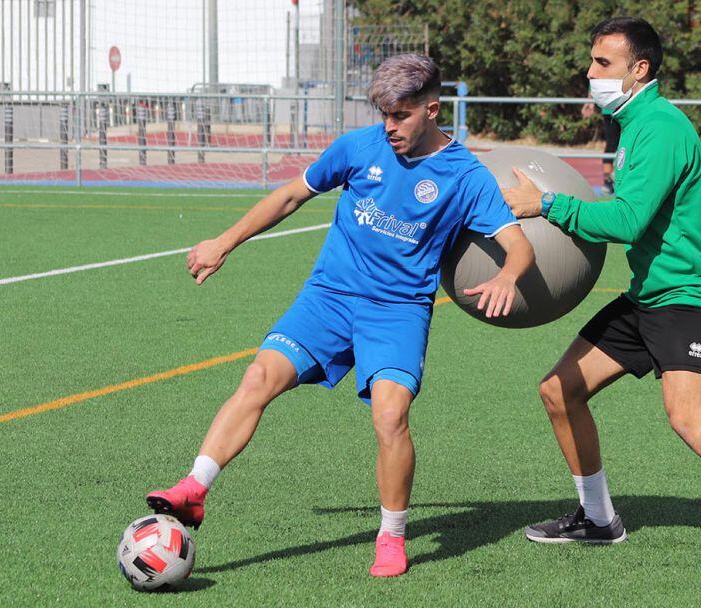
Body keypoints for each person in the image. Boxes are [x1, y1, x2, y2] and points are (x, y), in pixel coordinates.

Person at [146, 54, 534, 578]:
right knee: (259, 376)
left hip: (396, 310)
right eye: (383, 115)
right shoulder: (359, 146)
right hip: (329, 296)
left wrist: (509, 275)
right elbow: (289, 196)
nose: (390, 127)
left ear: (432, 109)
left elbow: (519, 246)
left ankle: (392, 536)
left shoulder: (466, 176)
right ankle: (194, 487)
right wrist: (224, 242)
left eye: (400, 115)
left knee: (391, 416)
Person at [502, 17, 701, 576]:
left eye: (603, 64)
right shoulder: (633, 126)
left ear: (639, 69)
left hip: (689, 296)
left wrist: (545, 205)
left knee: (689, 417)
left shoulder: (661, 127)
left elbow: (627, 221)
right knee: (559, 390)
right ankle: (598, 519)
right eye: (591, 61)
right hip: (649, 294)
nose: (590, 73)